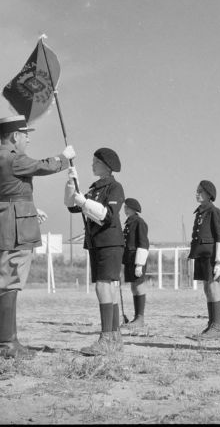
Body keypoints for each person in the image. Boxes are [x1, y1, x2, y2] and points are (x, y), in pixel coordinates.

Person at [0, 115, 75, 358]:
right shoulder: (14, 158)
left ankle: (8, 342)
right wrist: (64, 158)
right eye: (25, 133)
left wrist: (32, 209)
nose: (28, 138)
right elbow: (42, 166)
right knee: (10, 285)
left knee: (7, 286)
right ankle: (6, 345)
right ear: (14, 136)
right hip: (15, 230)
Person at [65, 148, 125, 355]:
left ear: (106, 166)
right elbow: (71, 206)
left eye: (95, 162)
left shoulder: (115, 187)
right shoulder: (94, 189)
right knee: (107, 287)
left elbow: (107, 215)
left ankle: (107, 337)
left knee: (103, 286)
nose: (92, 165)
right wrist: (71, 183)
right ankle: (114, 336)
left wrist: (83, 201)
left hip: (109, 241)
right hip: (97, 242)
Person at [188, 180, 220, 339]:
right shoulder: (200, 212)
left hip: (212, 256)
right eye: (197, 191)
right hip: (202, 256)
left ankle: (216, 328)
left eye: (201, 191)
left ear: (209, 194)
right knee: (207, 289)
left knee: (213, 288)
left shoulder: (214, 211)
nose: (197, 193)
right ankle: (211, 325)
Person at [121, 198, 150, 328]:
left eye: (126, 207)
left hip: (137, 259)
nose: (124, 209)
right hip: (130, 259)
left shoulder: (139, 222)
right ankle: (136, 317)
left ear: (132, 208)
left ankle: (140, 318)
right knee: (134, 288)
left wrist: (140, 264)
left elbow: (143, 243)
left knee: (138, 287)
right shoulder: (129, 223)